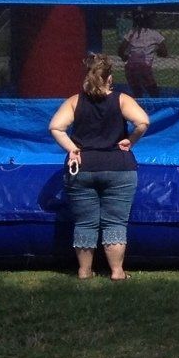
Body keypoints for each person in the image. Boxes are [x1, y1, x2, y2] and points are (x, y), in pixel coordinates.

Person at [49, 52, 149, 279]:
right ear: (110, 78)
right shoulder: (121, 100)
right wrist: (130, 140)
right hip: (119, 166)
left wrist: (72, 149)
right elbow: (143, 121)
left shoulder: (75, 101)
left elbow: (55, 126)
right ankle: (117, 271)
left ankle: (84, 271)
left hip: (82, 167)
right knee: (115, 222)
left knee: (85, 222)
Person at [118, 9, 168, 97]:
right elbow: (164, 52)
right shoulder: (154, 34)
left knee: (137, 92)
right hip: (144, 68)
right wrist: (158, 52)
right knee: (154, 93)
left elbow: (121, 49)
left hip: (130, 67)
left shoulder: (132, 33)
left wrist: (124, 56)